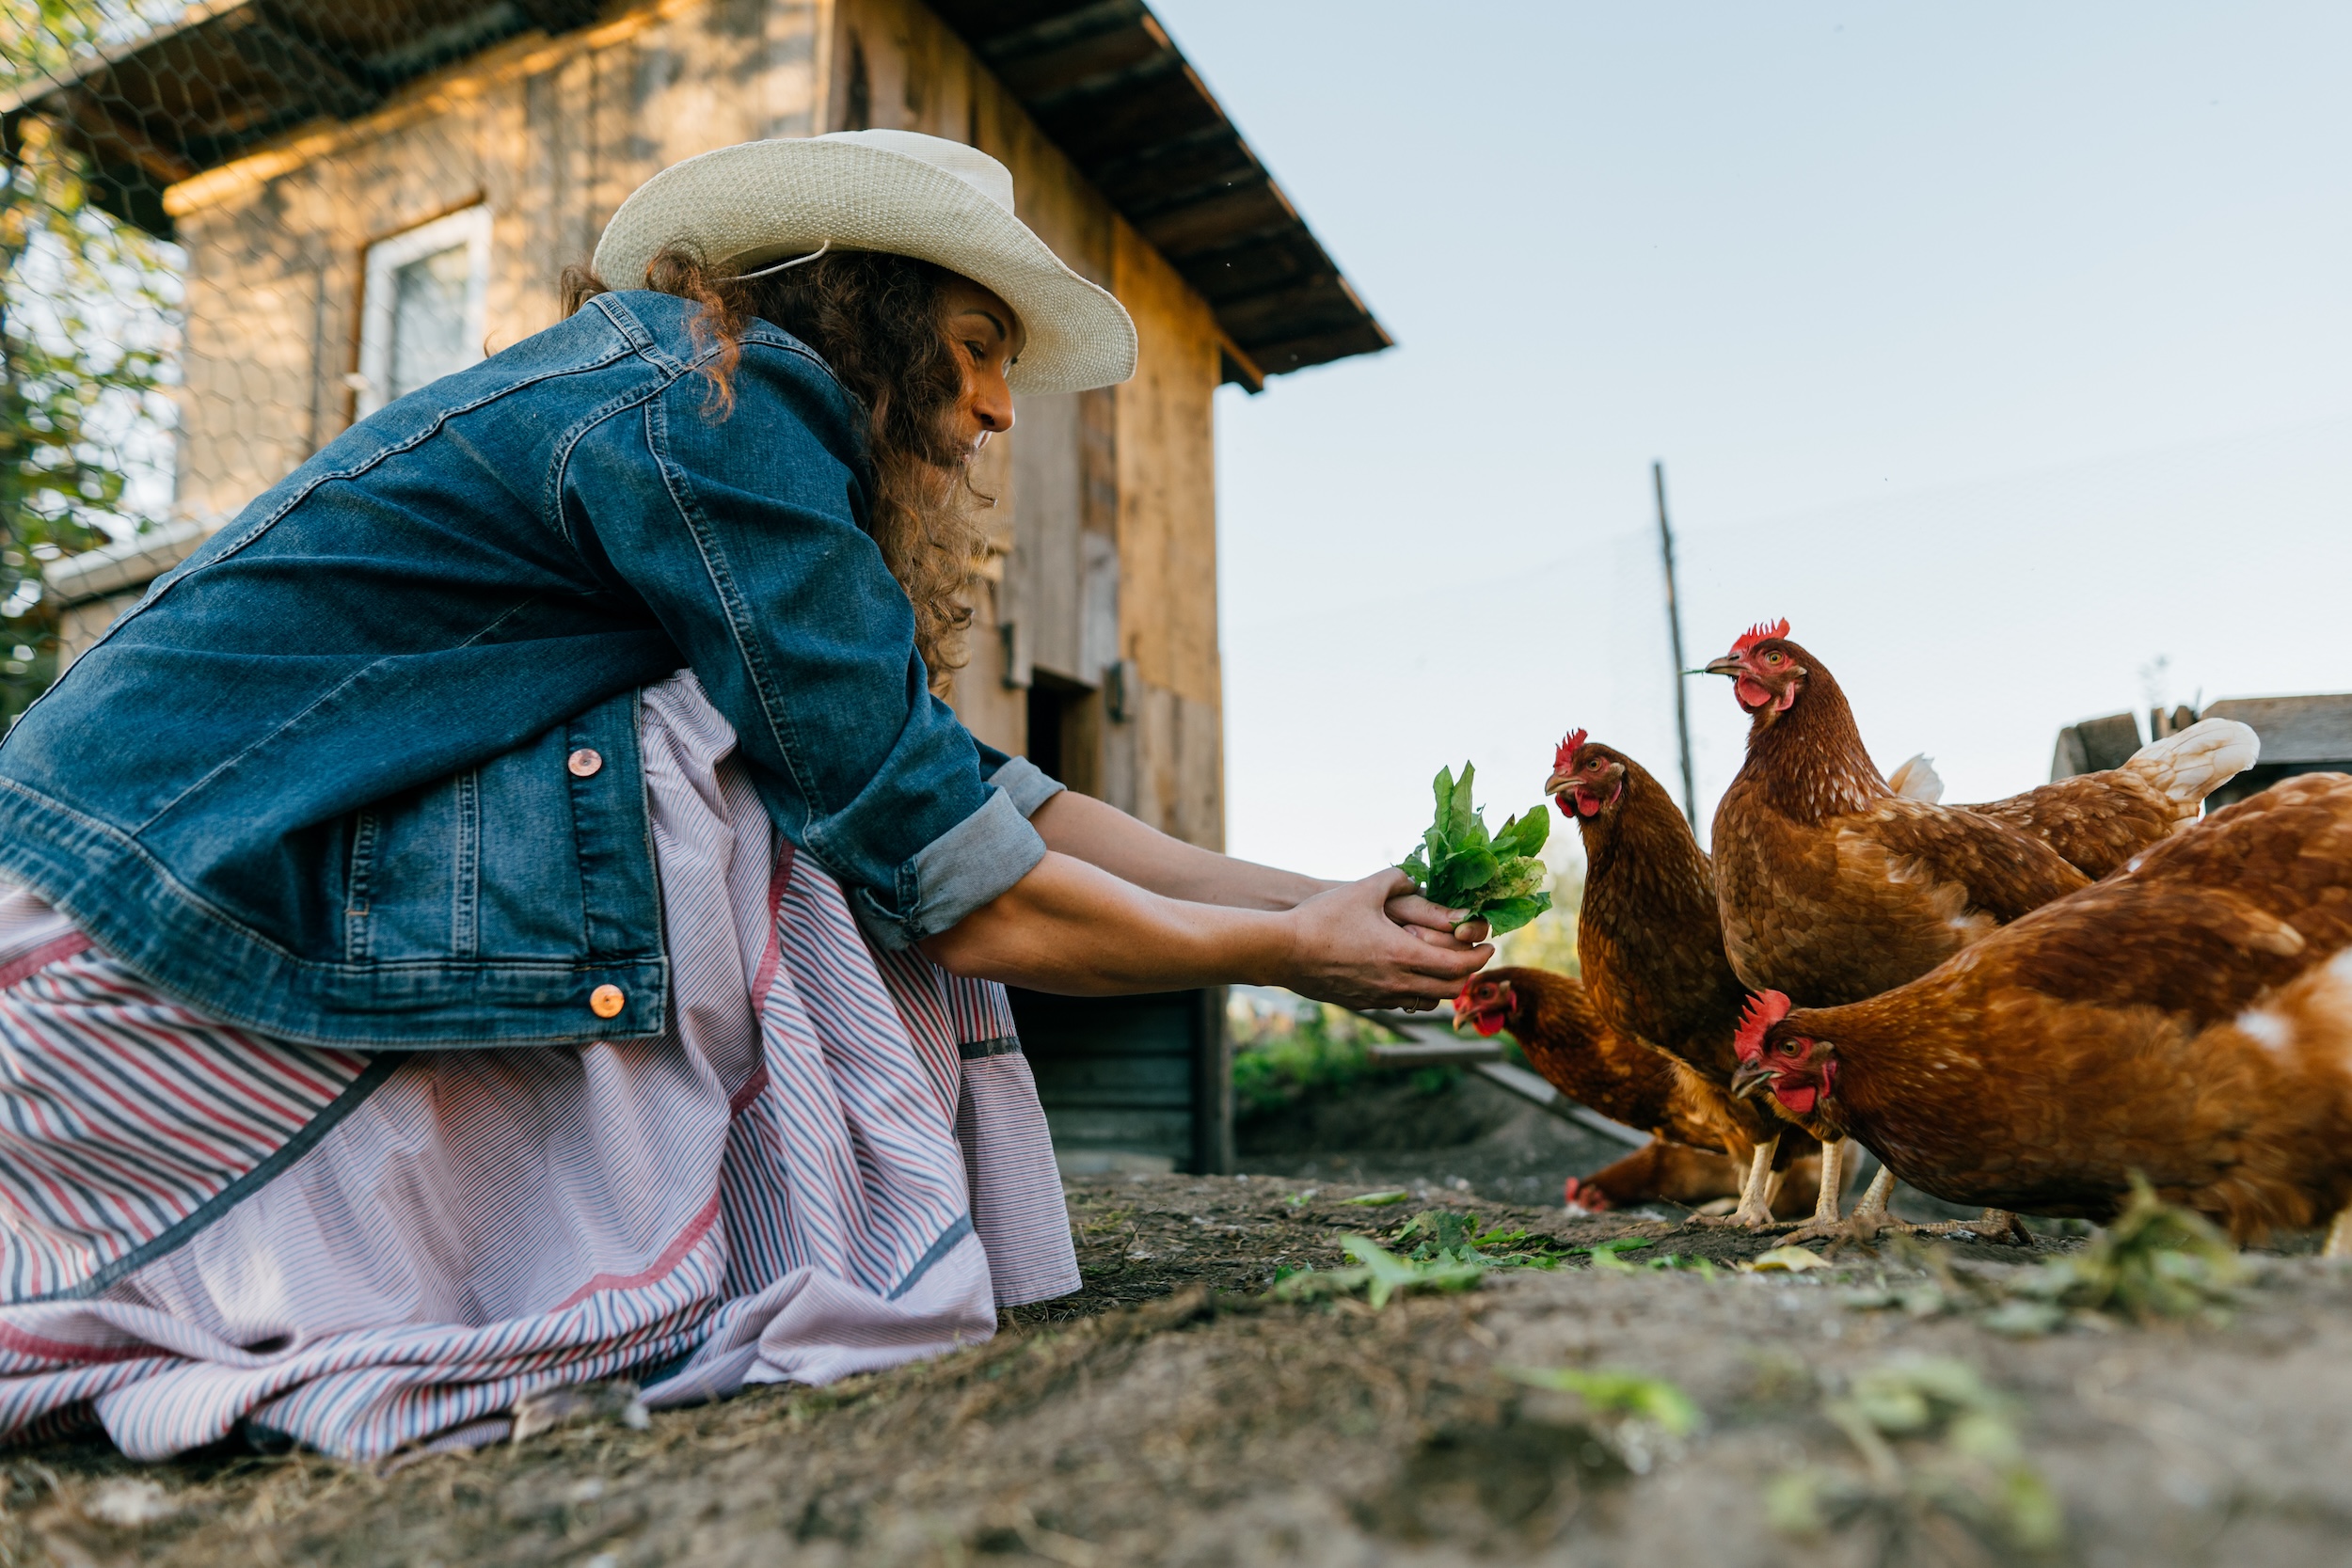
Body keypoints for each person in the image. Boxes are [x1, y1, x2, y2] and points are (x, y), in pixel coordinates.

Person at [0, 131, 1488, 1463]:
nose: (996, 407)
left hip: (143, 871)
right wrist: (1285, 957)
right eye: (975, 346)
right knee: (752, 794)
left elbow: (972, 790)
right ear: (875, 308)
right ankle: (705, 1240)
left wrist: (1314, 898)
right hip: (112, 928)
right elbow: (943, 864)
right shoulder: (719, 409)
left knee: (791, 766)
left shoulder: (677, 395)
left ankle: (649, 1230)